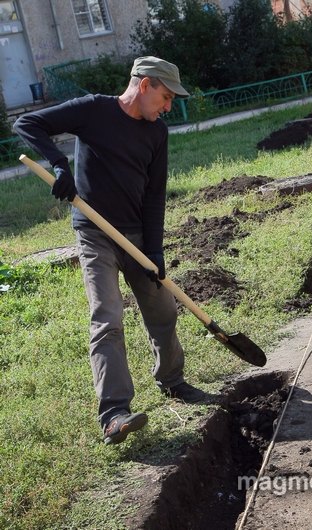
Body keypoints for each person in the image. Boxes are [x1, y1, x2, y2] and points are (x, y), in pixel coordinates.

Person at [14, 56, 206, 445]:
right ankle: (115, 413)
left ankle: (172, 381)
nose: (168, 107)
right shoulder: (94, 110)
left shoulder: (157, 133)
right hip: (95, 234)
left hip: (136, 236)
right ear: (145, 85)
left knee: (163, 309)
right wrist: (59, 165)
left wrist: (155, 252)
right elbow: (27, 123)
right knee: (107, 316)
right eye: (166, 97)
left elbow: (154, 196)